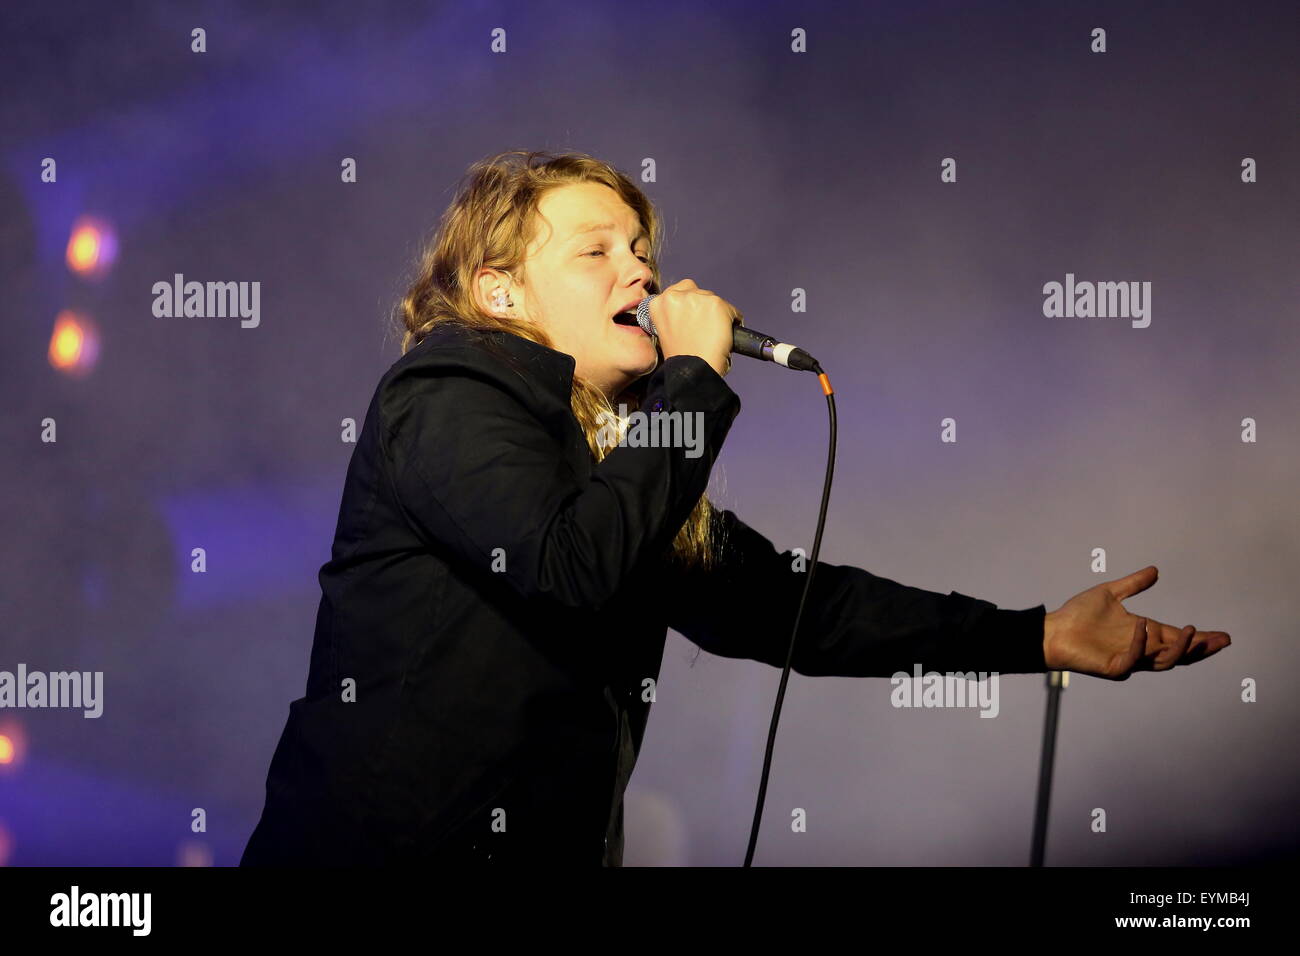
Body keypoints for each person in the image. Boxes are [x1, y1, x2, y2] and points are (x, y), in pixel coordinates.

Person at [240, 149, 1231, 867]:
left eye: (640, 247)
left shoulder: (618, 459)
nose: (639, 270)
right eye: (596, 251)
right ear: (498, 293)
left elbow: (800, 606)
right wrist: (692, 384)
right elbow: (566, 561)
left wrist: (1036, 634)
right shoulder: (445, 392)